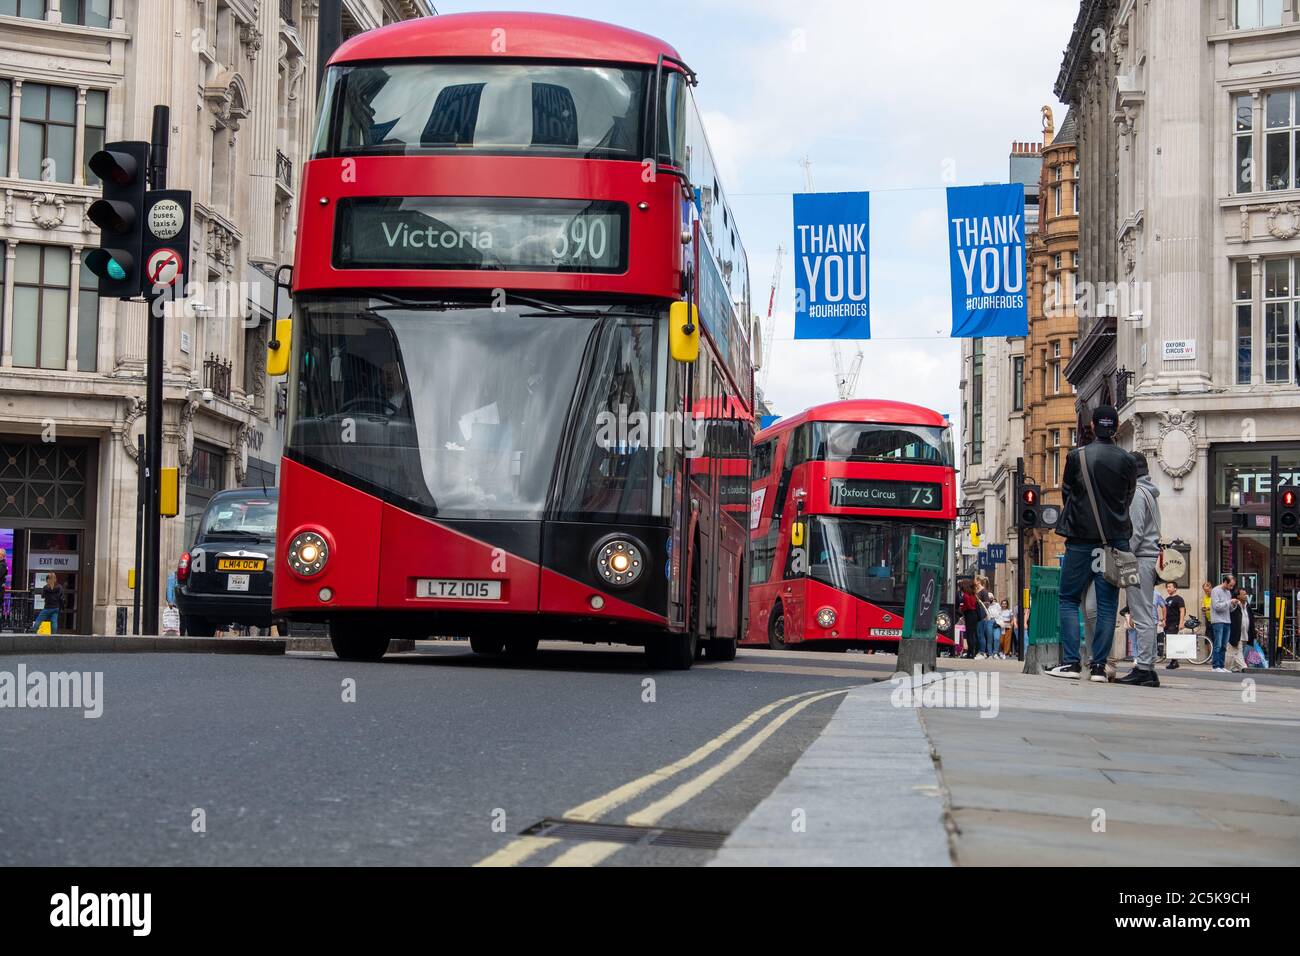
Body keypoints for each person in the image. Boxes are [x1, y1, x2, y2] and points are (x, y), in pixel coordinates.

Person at [1047, 405, 1138, 682]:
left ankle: (1073, 663)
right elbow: (1128, 496)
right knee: (1108, 605)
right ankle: (1099, 667)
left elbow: (1067, 494)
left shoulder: (1077, 457)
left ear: (1092, 426)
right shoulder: (1127, 460)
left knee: (1068, 598)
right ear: (1116, 425)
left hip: (1081, 540)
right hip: (1114, 541)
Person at [1117, 453, 1162, 687]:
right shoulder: (1150, 493)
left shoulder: (1136, 495)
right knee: (1146, 613)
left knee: (1141, 614)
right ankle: (1149, 668)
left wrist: (1121, 558)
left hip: (1139, 559)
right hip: (1149, 559)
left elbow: (1134, 534)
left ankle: (1143, 668)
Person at [1209, 574, 1237, 672]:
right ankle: (1215, 666)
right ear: (1225, 582)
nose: (1231, 588)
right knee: (1218, 644)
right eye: (1230, 585)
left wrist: (1233, 605)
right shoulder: (1215, 591)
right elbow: (1217, 607)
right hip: (1218, 620)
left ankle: (1221, 665)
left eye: (1233, 586)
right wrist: (1229, 602)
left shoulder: (1228, 592)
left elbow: (1229, 609)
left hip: (1226, 620)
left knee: (1224, 645)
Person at [1226, 588, 1253, 672]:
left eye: (1246, 594)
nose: (1246, 596)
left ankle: (1233, 667)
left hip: (1246, 633)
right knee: (1239, 651)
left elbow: (1250, 618)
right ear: (1238, 596)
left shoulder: (1247, 605)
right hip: (1238, 632)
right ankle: (1243, 667)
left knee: (1235, 652)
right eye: (1243, 594)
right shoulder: (1235, 605)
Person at [1161, 581, 1187, 666]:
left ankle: (1174, 661)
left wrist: (1181, 623)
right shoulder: (1167, 599)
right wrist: (1163, 620)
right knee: (1170, 641)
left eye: (1170, 587)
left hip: (1175, 623)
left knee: (1171, 640)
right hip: (1167, 623)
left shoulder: (1179, 599)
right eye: (1167, 587)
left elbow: (1182, 611)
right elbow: (1164, 611)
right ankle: (1174, 661)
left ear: (1175, 588)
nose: (1168, 588)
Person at [959, 579, 980, 659]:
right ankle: (974, 651)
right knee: (973, 633)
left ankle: (970, 652)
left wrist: (962, 608)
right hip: (974, 615)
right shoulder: (973, 595)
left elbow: (967, 606)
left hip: (969, 614)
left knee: (969, 634)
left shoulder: (966, 595)